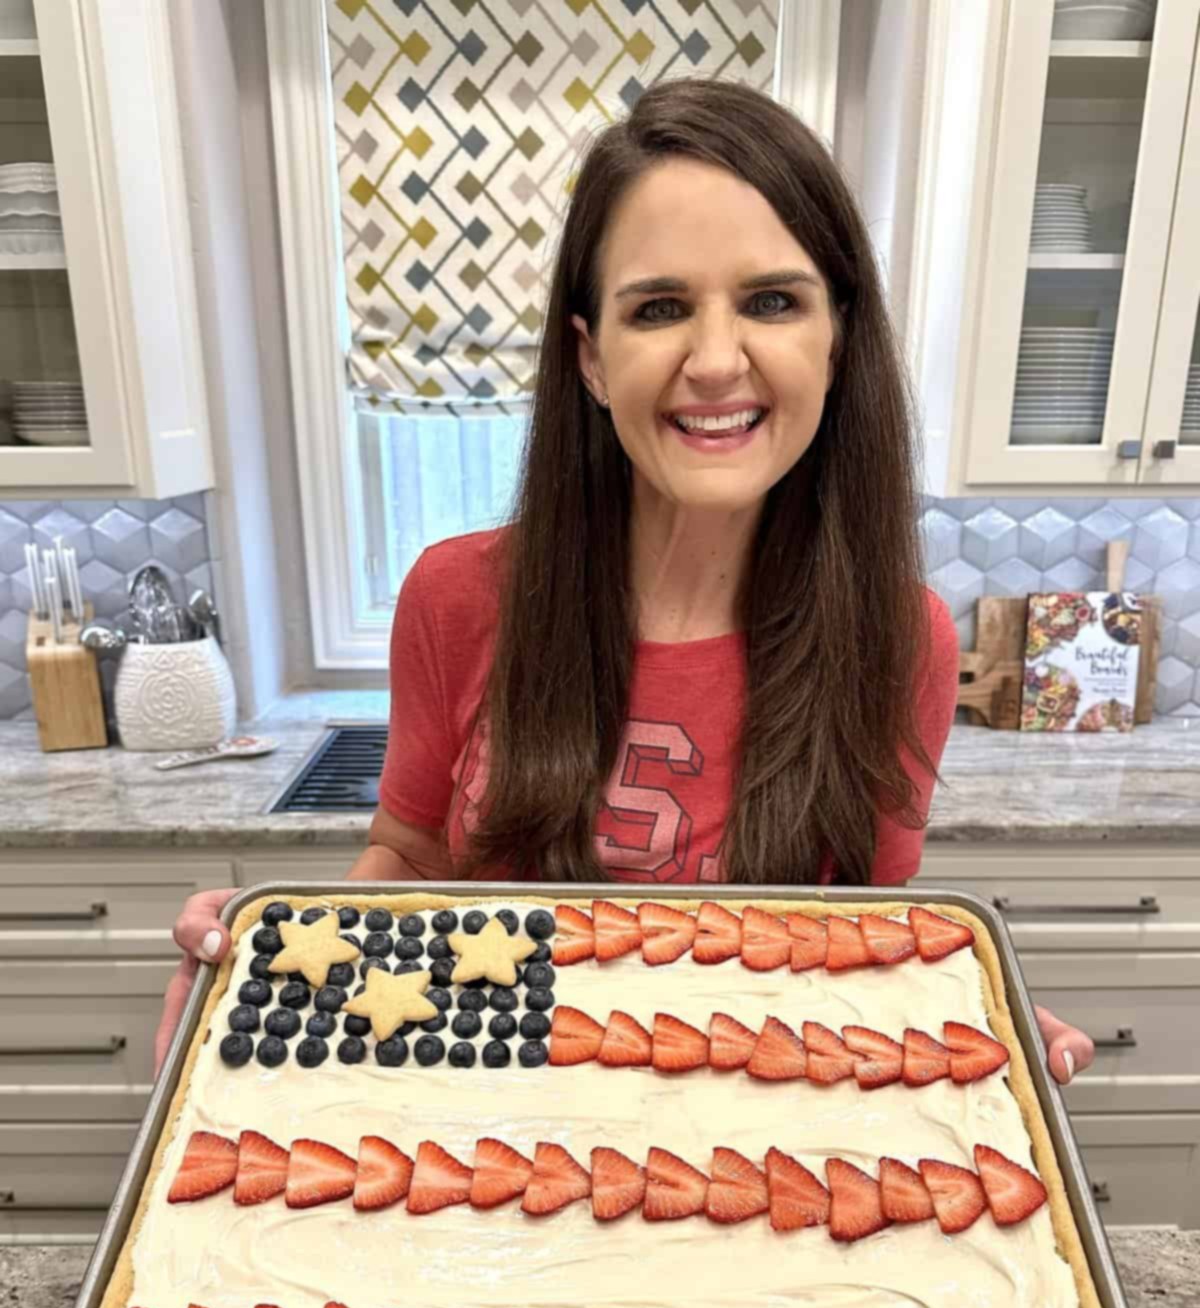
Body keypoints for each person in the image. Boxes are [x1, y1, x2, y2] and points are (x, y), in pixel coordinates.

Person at [155, 77, 1092, 1085]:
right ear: (593, 359)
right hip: (488, 1126)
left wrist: (969, 1008)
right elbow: (412, 861)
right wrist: (274, 960)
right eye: (660, 308)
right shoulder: (458, 598)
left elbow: (871, 929)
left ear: (839, 337)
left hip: (752, 1152)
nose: (718, 359)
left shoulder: (899, 638)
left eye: (773, 301)